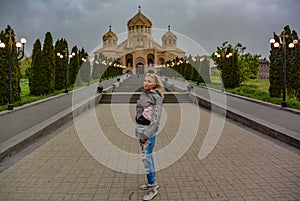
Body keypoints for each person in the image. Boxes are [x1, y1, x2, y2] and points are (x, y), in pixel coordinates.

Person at [135, 72, 164, 200]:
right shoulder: (144, 92)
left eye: (148, 81)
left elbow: (156, 119)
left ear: (154, 84)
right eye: (145, 80)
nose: (145, 83)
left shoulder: (156, 97)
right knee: (146, 157)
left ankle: (152, 187)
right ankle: (152, 181)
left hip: (148, 131)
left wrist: (147, 134)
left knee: (147, 158)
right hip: (141, 128)